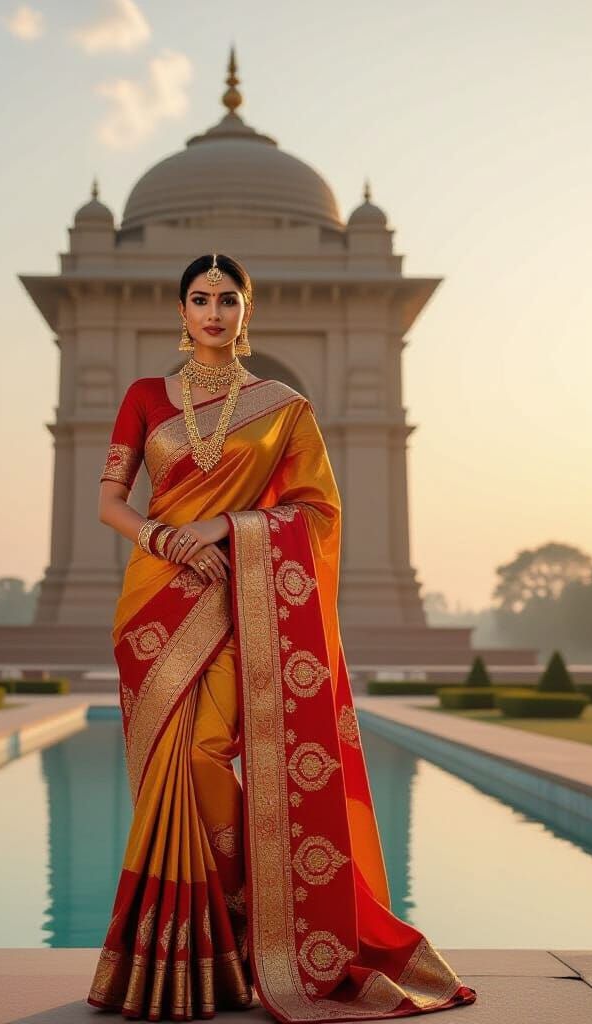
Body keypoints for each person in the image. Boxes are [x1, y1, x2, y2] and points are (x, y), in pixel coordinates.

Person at [88, 253, 477, 1022]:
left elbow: (319, 515)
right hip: (155, 601)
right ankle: (214, 943)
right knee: (165, 767)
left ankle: (248, 917)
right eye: (199, 299)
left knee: (203, 751)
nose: (212, 312)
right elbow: (110, 501)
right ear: (180, 311)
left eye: (227, 300)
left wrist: (225, 529)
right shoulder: (142, 396)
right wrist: (165, 540)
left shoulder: (285, 408)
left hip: (240, 600)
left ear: (247, 312)